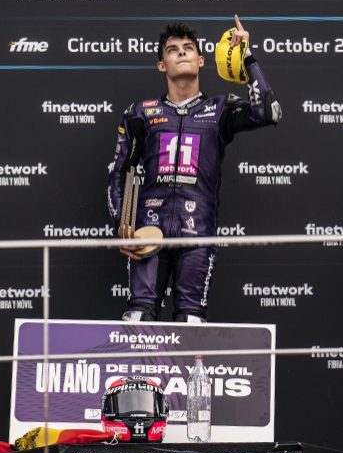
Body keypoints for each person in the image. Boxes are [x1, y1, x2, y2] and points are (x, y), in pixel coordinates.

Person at [107, 17, 281, 322]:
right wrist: (124, 228)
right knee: (138, 317)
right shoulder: (140, 113)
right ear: (162, 65)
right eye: (172, 50)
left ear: (201, 60)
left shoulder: (220, 108)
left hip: (198, 233)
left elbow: (269, 112)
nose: (182, 52)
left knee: (191, 321)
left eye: (188, 48)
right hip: (149, 231)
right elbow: (120, 172)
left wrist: (246, 57)